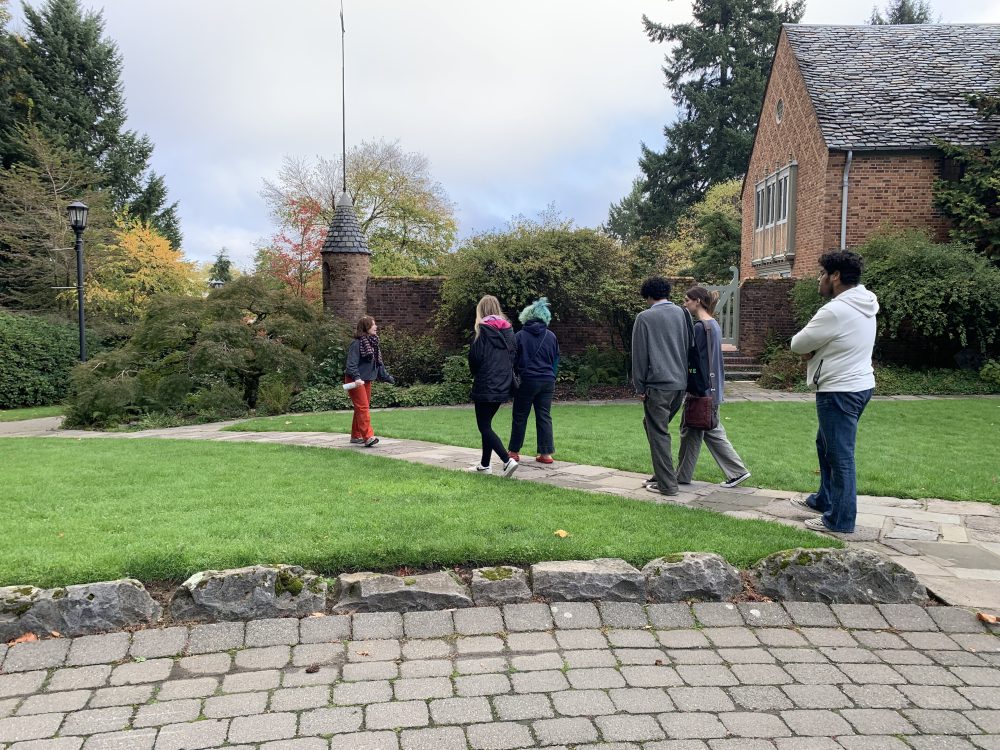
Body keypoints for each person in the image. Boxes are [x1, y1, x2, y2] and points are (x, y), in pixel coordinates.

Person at [789, 250, 879, 534]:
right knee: (825, 444)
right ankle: (824, 499)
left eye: (821, 274)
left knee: (840, 455)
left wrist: (811, 351)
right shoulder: (866, 302)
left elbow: (797, 344)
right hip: (860, 385)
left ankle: (839, 519)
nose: (819, 280)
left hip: (838, 390)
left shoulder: (836, 310)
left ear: (835, 276)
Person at [677, 286, 751, 489]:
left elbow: (698, 361)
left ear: (697, 301)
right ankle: (682, 476)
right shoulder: (713, 325)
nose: (685, 303)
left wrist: (693, 387)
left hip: (704, 390)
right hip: (712, 388)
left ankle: (737, 472)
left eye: (687, 300)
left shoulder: (702, 327)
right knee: (692, 430)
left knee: (708, 430)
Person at [631, 276, 692, 496]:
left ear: (647, 295)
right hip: (679, 384)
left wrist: (639, 387)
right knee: (653, 425)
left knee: (659, 432)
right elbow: (689, 346)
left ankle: (667, 485)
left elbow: (639, 355)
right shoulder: (682, 313)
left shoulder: (644, 317)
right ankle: (661, 473)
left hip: (657, 385)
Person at [468, 295, 519, 477]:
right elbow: (513, 357)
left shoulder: (482, 331)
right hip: (504, 383)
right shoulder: (509, 332)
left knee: (484, 426)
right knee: (487, 424)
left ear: (481, 310)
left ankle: (507, 460)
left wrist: (478, 373)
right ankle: (485, 465)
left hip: (486, 383)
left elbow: (475, 359)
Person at [507, 297, 560, 465]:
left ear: (526, 316)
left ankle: (514, 452)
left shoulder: (520, 336)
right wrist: (552, 374)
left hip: (527, 380)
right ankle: (546, 454)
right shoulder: (551, 336)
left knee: (520, 416)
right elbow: (555, 360)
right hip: (547, 380)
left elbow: (513, 360)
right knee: (544, 416)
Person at [344, 315, 395, 448]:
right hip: (356, 381)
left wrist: (387, 377)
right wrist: (357, 378)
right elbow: (351, 365)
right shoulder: (356, 344)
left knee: (360, 408)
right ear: (366, 327)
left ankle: (356, 436)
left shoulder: (373, 343)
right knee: (363, 407)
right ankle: (368, 437)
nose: (376, 327)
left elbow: (379, 364)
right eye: (373, 324)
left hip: (366, 380)